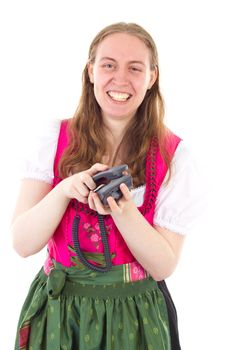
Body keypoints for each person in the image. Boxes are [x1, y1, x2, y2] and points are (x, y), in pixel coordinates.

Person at [12, 22, 204, 350]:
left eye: (135, 68)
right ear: (91, 71)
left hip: (135, 316)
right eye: (108, 65)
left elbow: (162, 266)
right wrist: (64, 190)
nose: (120, 79)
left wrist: (125, 211)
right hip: (62, 314)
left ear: (151, 77)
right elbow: (22, 243)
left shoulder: (174, 156)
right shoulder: (52, 139)